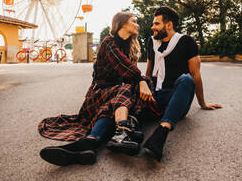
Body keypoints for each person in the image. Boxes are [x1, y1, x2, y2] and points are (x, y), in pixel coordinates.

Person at [38, 12, 158, 166]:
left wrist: (143, 82)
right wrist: (141, 81)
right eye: (133, 21)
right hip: (99, 94)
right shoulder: (109, 43)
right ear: (121, 24)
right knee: (129, 86)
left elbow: (132, 77)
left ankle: (91, 144)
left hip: (115, 98)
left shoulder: (130, 46)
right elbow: (126, 68)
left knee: (130, 91)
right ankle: (123, 131)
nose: (137, 24)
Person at [142, 6, 222, 161]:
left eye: (157, 24)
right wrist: (144, 87)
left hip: (176, 99)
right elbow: (148, 70)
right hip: (155, 97)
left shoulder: (186, 42)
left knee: (186, 79)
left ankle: (161, 134)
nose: (153, 27)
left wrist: (202, 103)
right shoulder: (151, 42)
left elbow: (195, 75)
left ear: (169, 25)